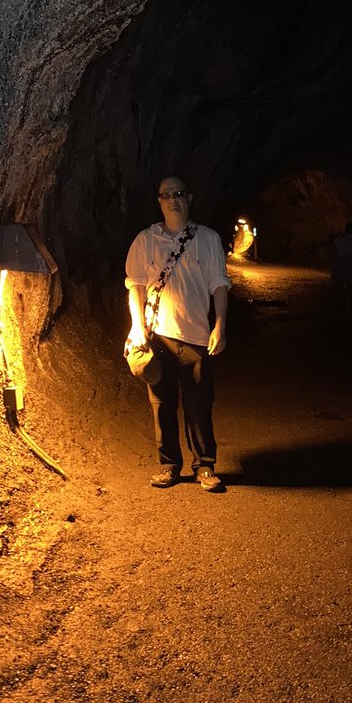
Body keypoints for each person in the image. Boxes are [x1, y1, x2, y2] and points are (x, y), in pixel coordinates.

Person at [125, 176, 231, 491]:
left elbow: (219, 285)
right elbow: (135, 286)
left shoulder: (208, 239)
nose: (173, 199)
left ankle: (205, 466)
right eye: (167, 195)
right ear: (159, 201)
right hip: (158, 336)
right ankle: (169, 464)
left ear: (189, 198)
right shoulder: (145, 240)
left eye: (179, 194)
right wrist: (137, 326)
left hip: (197, 335)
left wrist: (220, 325)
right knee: (162, 403)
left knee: (199, 404)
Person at [331, 222, 352, 316]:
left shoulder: (338, 240)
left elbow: (334, 252)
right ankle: (349, 307)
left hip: (340, 264)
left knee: (338, 286)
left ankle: (337, 307)